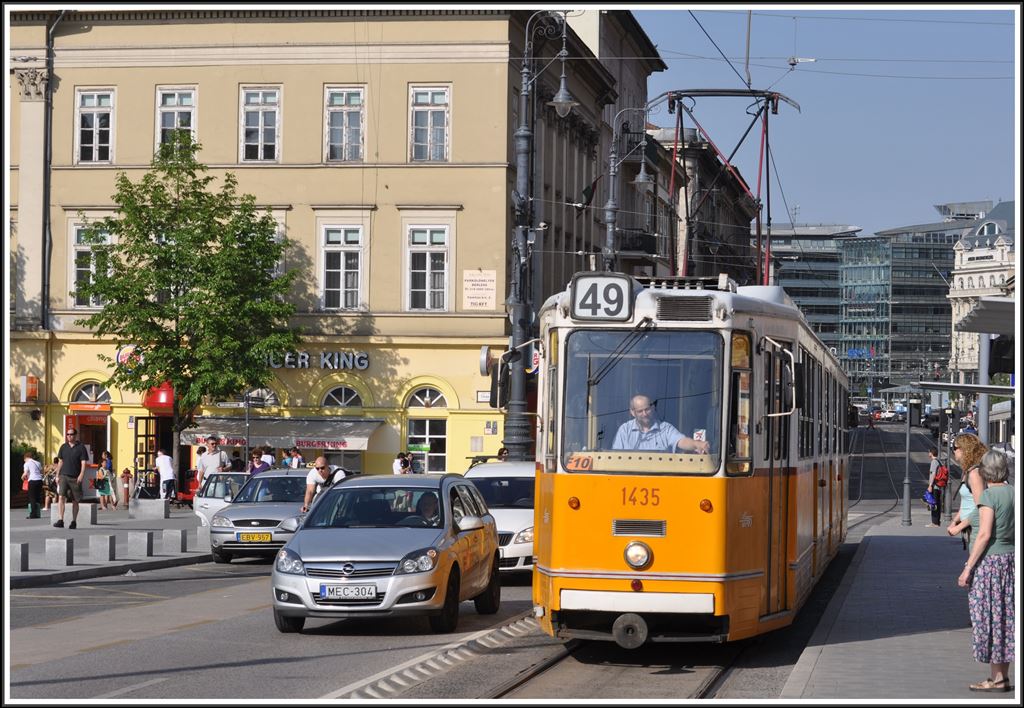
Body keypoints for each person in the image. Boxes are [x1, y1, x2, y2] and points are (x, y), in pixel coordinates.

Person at [958, 450, 1014, 692]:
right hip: (1011, 562)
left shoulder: (989, 497)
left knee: (988, 619)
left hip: (990, 565)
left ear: (985, 472)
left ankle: (995, 678)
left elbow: (984, 534)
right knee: (1005, 618)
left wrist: (968, 567)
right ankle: (1001, 677)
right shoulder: (1014, 493)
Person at [611, 394, 710, 453]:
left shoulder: (665, 428)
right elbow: (615, 456)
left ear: (653, 408)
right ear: (632, 412)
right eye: (640, 411)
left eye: (647, 409)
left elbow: (681, 441)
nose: (645, 414)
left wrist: (697, 444)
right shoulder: (624, 430)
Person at [947, 433, 988, 550]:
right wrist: (955, 521)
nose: (953, 451)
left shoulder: (975, 474)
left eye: (954, 448)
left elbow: (980, 508)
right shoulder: (967, 472)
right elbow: (966, 503)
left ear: (964, 449)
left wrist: (959, 527)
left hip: (977, 529)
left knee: (973, 565)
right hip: (970, 528)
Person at [54, 428, 89, 529]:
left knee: (75, 500)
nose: (69, 436)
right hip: (64, 475)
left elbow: (83, 462)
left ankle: (74, 521)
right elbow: (60, 462)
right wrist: (57, 475)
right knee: (61, 497)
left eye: (71, 434)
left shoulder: (81, 447)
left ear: (76, 435)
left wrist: (82, 474)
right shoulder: (63, 447)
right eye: (67, 434)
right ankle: (61, 520)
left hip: (75, 477)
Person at [925, 447, 947, 527]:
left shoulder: (934, 462)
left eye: (929, 452)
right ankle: (937, 522)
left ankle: (934, 523)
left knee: (933, 503)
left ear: (931, 453)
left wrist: (930, 485)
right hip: (939, 486)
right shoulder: (939, 461)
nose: (928, 453)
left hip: (935, 486)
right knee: (937, 503)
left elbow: (933, 474)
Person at [22, 451, 44, 519]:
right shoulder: (38, 463)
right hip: (39, 481)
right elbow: (41, 472)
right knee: (37, 497)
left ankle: (33, 514)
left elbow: (25, 473)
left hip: (32, 481)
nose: (24, 461)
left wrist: (22, 477)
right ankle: (37, 513)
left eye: (24, 459)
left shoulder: (27, 463)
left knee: (32, 498)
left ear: (26, 458)